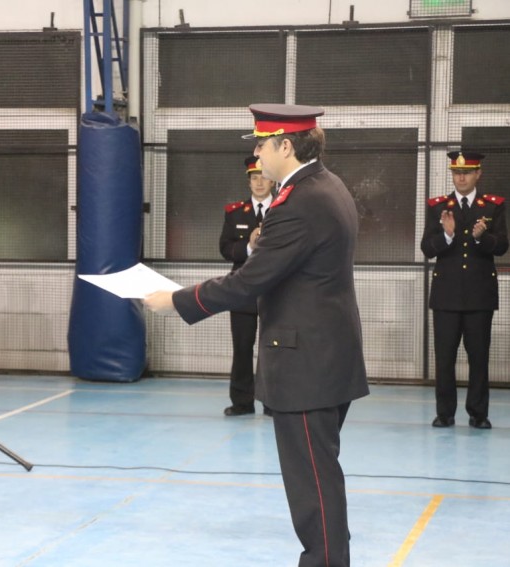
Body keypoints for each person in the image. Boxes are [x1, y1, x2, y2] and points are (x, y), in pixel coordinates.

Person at [144, 104, 369, 567]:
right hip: (328, 357)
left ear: (286, 146)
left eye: (262, 144)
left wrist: (176, 300)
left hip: (306, 365)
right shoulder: (327, 185)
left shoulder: (299, 204)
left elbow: (248, 281)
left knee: (313, 486)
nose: (257, 154)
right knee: (320, 478)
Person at [420, 151, 507, 430]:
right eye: (457, 173)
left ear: (478, 174)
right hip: (446, 296)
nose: (461, 177)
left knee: (479, 358)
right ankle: (445, 413)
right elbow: (427, 248)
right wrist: (447, 235)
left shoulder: (492, 206)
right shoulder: (438, 207)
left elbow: (502, 246)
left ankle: (478, 413)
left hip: (480, 296)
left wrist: (482, 238)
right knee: (444, 358)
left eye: (467, 172)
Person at [219, 156, 275, 417]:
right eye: (254, 178)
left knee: (272, 349)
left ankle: (273, 402)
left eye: (263, 178)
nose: (259, 183)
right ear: (248, 182)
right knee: (242, 348)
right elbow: (225, 249)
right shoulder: (235, 213)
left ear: (272, 181)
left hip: (275, 291)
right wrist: (249, 246)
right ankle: (242, 402)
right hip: (242, 293)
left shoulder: (284, 210)